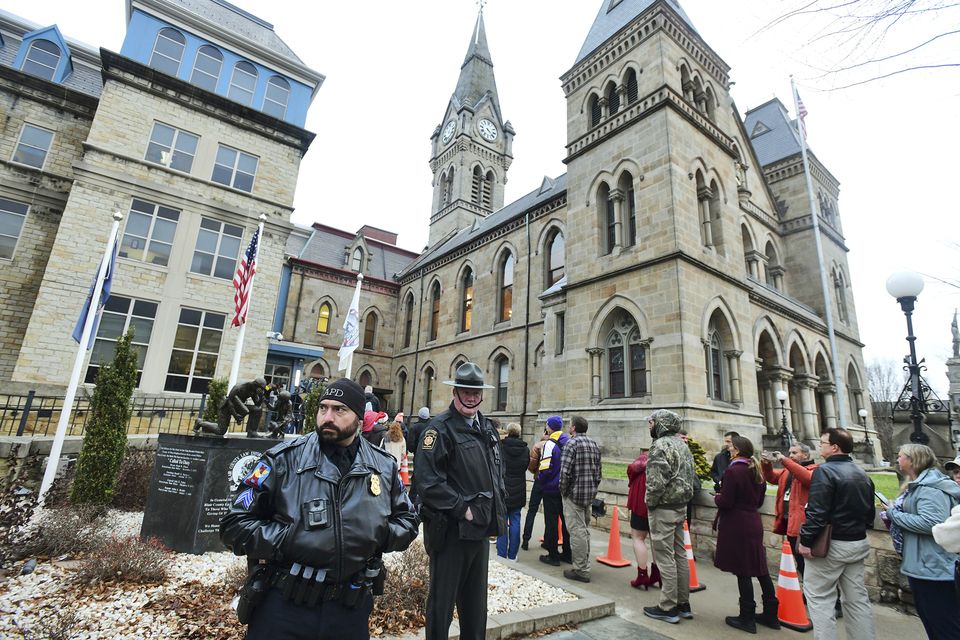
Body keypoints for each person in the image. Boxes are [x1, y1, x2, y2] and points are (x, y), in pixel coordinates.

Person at [220, 378, 419, 640]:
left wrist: (377, 533)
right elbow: (234, 525)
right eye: (323, 408)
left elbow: (407, 520)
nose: (328, 417)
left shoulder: (382, 466)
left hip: (349, 610)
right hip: (285, 607)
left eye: (339, 410)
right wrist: (291, 537)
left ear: (359, 418)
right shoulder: (282, 460)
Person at [413, 362, 507, 640]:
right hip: (451, 532)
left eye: (475, 391)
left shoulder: (487, 428)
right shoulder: (438, 429)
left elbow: (496, 471)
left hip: (479, 530)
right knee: (442, 606)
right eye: (465, 390)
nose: (470, 396)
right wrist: (462, 508)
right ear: (455, 392)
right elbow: (427, 482)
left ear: (482, 394)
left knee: (476, 606)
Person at [798, 428, 876, 640]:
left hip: (832, 545)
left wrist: (805, 540)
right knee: (857, 599)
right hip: (857, 543)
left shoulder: (825, 471)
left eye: (823, 442)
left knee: (820, 598)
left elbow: (817, 512)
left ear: (834, 447)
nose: (819, 445)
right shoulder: (861, 472)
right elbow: (869, 512)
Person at [883, 444, 960, 638]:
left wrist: (894, 514)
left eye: (901, 456)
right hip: (923, 565)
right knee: (933, 623)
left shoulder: (930, 489)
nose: (897, 460)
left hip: (933, 567)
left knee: (944, 625)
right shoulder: (919, 485)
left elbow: (931, 523)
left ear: (912, 460)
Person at [715, 435, 779, 633]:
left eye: (730, 446)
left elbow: (726, 501)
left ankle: (747, 617)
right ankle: (770, 613)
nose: (728, 449)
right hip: (753, 521)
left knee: (743, 570)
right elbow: (759, 501)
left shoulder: (734, 471)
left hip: (737, 523)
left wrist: (717, 497)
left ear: (736, 450)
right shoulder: (756, 470)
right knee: (760, 568)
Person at [643, 409, 698, 625]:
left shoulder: (660, 446)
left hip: (663, 508)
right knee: (679, 555)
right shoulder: (682, 445)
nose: (650, 425)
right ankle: (683, 603)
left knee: (664, 556)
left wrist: (650, 502)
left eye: (652, 422)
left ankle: (668, 607)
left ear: (662, 424)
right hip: (680, 506)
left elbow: (656, 481)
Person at [761, 442, 817, 575]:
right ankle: (807, 592)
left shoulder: (814, 469)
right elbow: (771, 477)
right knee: (800, 563)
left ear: (805, 455)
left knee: (808, 565)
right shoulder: (787, 471)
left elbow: (806, 478)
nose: (791, 455)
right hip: (789, 523)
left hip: (804, 526)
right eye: (789, 453)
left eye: (795, 453)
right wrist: (766, 464)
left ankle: (812, 594)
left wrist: (784, 460)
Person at [559, 416, 602, 583]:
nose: (569, 427)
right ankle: (583, 563)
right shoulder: (593, 444)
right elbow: (598, 472)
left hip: (574, 496)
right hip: (588, 494)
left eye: (570, 425)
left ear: (574, 428)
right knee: (583, 531)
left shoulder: (572, 443)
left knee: (577, 532)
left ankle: (581, 570)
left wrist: (564, 492)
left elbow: (564, 473)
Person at [537, 415, 571, 566]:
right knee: (566, 523)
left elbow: (545, 469)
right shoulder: (569, 441)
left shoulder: (549, 444)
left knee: (551, 522)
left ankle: (553, 555)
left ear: (549, 427)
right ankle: (568, 553)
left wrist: (541, 482)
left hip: (551, 489)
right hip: (566, 489)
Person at [497, 422, 529, 561]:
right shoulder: (525, 449)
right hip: (519, 488)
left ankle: (501, 553)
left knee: (502, 521)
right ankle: (512, 554)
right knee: (515, 520)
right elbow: (526, 465)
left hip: (503, 488)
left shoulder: (501, 446)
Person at [195, 377, 267, 437]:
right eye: (261, 388)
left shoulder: (253, 390)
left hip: (238, 406)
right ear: (255, 385)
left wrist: (260, 397)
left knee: (257, 409)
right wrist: (236, 416)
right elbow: (230, 402)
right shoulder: (239, 387)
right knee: (220, 431)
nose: (261, 390)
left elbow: (257, 405)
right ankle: (200, 423)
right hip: (227, 407)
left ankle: (252, 432)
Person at [627, 451, 658, 589]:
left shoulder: (641, 461)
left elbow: (631, 471)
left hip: (641, 504)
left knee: (638, 538)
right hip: (662, 506)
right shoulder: (669, 459)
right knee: (657, 540)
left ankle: (642, 575)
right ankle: (658, 574)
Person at [521, 427, 550, 551]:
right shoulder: (558, 444)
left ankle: (526, 540)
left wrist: (535, 472)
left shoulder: (538, 445)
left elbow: (531, 464)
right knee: (550, 514)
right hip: (551, 483)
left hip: (539, 480)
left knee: (532, 511)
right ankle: (548, 541)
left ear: (544, 432)